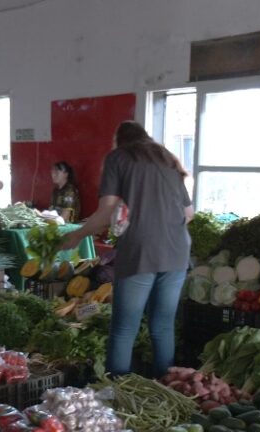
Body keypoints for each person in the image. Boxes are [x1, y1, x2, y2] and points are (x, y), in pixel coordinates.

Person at [62, 121, 193, 377]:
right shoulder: (167, 160)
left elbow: (105, 212)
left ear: (119, 141)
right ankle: (165, 387)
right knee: (163, 326)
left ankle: (116, 390)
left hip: (141, 250)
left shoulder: (117, 158)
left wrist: (76, 236)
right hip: (178, 251)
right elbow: (189, 214)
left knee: (124, 328)